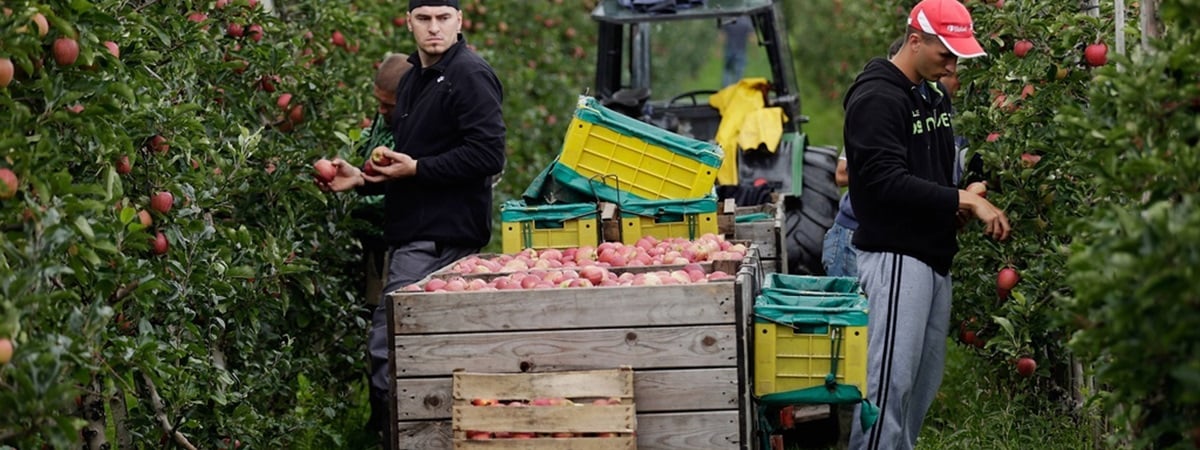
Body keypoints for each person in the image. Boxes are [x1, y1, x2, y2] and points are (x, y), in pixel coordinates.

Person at [318, 0, 506, 447]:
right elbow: (410, 164)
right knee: (414, 355)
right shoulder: (415, 80)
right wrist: (363, 178)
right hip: (414, 236)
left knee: (392, 353)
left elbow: (487, 155)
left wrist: (418, 169)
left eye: (444, 18)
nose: (434, 28)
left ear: (460, 21)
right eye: (424, 19)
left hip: (438, 241)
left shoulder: (470, 76)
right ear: (409, 23)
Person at [842, 0, 1009, 448]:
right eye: (945, 54)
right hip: (898, 257)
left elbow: (927, 173)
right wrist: (961, 201)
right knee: (887, 387)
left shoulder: (930, 94)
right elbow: (884, 182)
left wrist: (961, 195)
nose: (952, 64)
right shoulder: (877, 98)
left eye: (957, 56)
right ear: (915, 40)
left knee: (918, 388)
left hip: (933, 257)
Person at [352, 53, 413, 314]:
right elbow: (369, 138)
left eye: (388, 105)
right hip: (369, 238)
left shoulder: (415, 130)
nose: (380, 110)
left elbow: (394, 194)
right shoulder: (385, 117)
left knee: (388, 311)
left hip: (394, 238)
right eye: (378, 102)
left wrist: (355, 196)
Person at [721, 16, 753, 87]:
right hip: (741, 49)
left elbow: (723, 35)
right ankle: (736, 89)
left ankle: (726, 89)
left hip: (730, 49)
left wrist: (718, 49)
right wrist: (754, 50)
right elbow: (751, 36)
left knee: (727, 71)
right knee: (739, 72)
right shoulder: (746, 21)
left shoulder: (728, 20)